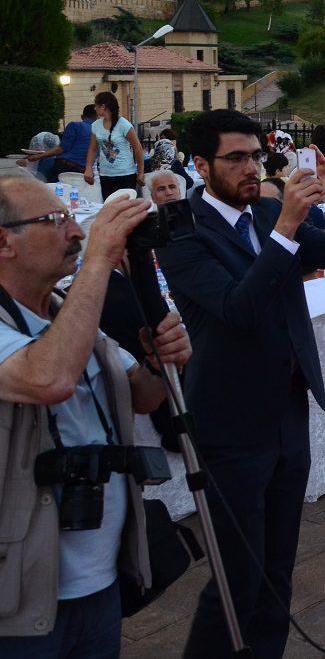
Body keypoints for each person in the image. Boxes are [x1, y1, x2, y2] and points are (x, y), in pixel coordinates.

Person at [154, 109, 325, 658]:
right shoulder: (181, 231)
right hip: (229, 421)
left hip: (286, 409)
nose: (251, 167)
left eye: (255, 155)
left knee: (278, 568)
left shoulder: (269, 211)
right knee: (237, 578)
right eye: (236, 158)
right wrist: (284, 232)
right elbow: (238, 308)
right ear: (201, 164)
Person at [0, 180, 193, 651]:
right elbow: (49, 379)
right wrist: (103, 261)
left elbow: (142, 396)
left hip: (101, 575)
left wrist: (158, 361)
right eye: (55, 221)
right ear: (4, 241)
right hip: (21, 593)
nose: (76, 233)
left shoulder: (65, 311)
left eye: (71, 219)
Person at [83, 91, 145, 200]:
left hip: (125, 174)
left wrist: (140, 172)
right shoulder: (96, 126)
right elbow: (93, 149)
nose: (95, 109)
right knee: (109, 206)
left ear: (103, 107)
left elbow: (137, 147)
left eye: (96, 106)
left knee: (126, 208)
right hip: (105, 174)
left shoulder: (123, 124)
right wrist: (88, 168)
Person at [22, 104, 96, 183]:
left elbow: (61, 149)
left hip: (64, 167)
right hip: (84, 172)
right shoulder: (100, 132)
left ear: (82, 116)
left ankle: (38, 185)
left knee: (46, 161)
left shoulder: (75, 125)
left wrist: (38, 156)